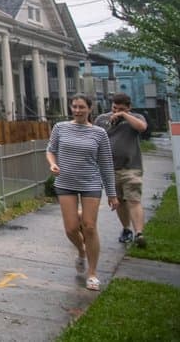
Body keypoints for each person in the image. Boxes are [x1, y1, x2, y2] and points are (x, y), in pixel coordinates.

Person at [46, 94, 118, 291]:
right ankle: (81, 251)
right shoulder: (60, 128)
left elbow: (105, 164)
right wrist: (53, 164)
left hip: (91, 184)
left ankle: (92, 273)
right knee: (70, 228)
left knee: (89, 227)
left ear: (89, 109)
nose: (77, 110)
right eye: (74, 107)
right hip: (65, 182)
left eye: (81, 107)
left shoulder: (99, 133)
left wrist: (112, 194)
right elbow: (51, 149)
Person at [94, 92, 148, 248]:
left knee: (134, 199)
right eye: (114, 108)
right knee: (120, 202)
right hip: (110, 169)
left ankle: (139, 233)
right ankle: (126, 229)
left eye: (121, 108)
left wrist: (125, 115)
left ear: (129, 107)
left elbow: (142, 128)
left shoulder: (136, 118)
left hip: (131, 167)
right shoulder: (102, 119)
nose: (116, 111)